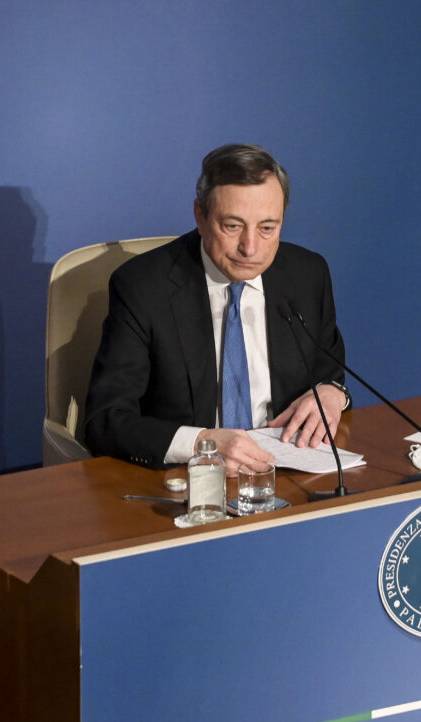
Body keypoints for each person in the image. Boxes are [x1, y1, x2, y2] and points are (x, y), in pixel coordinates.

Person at [84, 144, 349, 474]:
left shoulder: (307, 275)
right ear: (200, 216)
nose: (250, 248)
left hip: (287, 469)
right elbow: (106, 421)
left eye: (267, 228)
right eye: (233, 226)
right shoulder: (143, 287)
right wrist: (201, 444)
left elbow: (330, 375)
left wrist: (332, 393)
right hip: (187, 478)